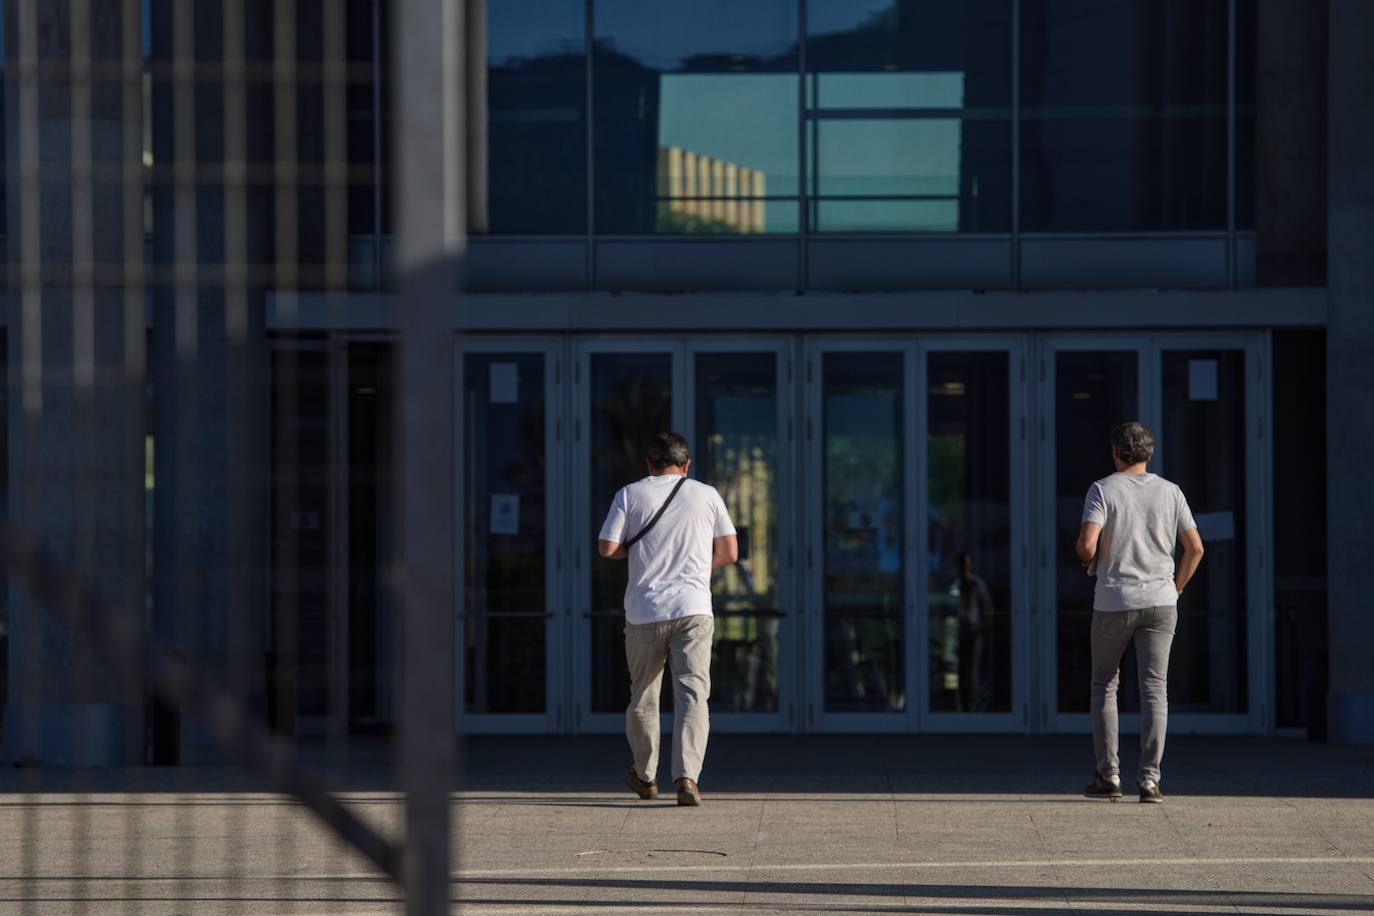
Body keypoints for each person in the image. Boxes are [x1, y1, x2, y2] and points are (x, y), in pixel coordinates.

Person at [598, 432, 737, 806]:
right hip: (693, 608)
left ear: (649, 463)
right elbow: (730, 551)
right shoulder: (707, 494)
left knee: (644, 694)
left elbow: (607, 547)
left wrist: (639, 555)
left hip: (645, 611)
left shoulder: (630, 494)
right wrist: (693, 571)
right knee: (693, 695)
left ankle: (645, 778)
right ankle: (688, 778)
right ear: (686, 464)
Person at [1075, 421, 1204, 804]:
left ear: (1115, 453)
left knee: (1104, 684)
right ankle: (1149, 780)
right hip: (1161, 600)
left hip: (1114, 601)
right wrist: (1176, 587)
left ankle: (1108, 773)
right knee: (1154, 690)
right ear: (1149, 454)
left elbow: (1086, 544)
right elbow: (1195, 548)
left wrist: (1089, 558)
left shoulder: (1103, 489)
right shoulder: (1172, 492)